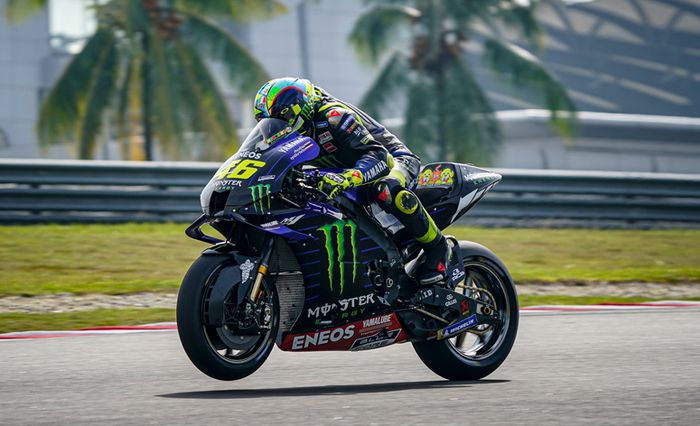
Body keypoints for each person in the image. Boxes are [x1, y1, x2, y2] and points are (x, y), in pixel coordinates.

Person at [253, 77, 450, 285]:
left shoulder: (334, 117)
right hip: (344, 170)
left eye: (281, 119)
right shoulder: (283, 137)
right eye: (266, 122)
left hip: (393, 160)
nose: (275, 128)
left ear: (298, 110)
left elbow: (379, 157)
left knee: (386, 189)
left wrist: (346, 178)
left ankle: (437, 247)